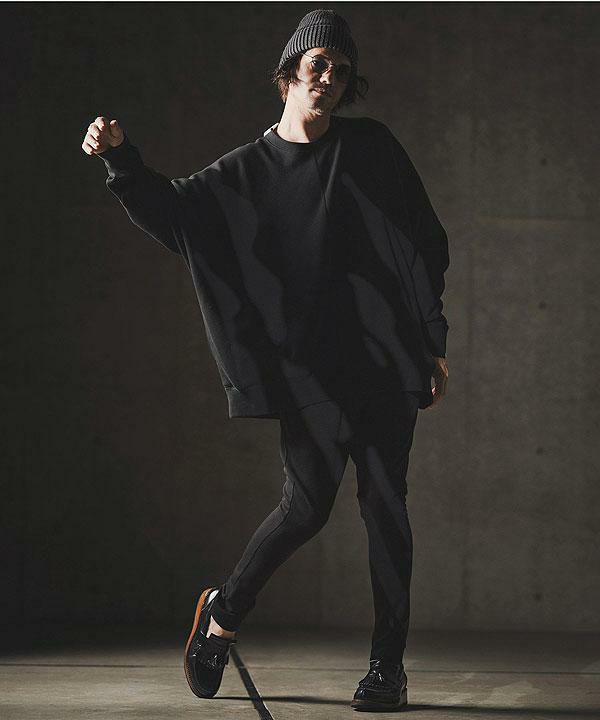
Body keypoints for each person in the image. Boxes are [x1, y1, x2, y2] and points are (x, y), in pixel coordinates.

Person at [82, 8, 449, 712]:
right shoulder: (243, 174)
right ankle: (222, 615)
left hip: (385, 363)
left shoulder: (372, 148)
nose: (329, 78)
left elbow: (423, 240)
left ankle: (387, 668)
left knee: (386, 509)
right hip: (308, 372)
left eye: (341, 70)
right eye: (318, 65)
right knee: (306, 508)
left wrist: (432, 340)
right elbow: (174, 215)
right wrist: (119, 159)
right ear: (289, 74)